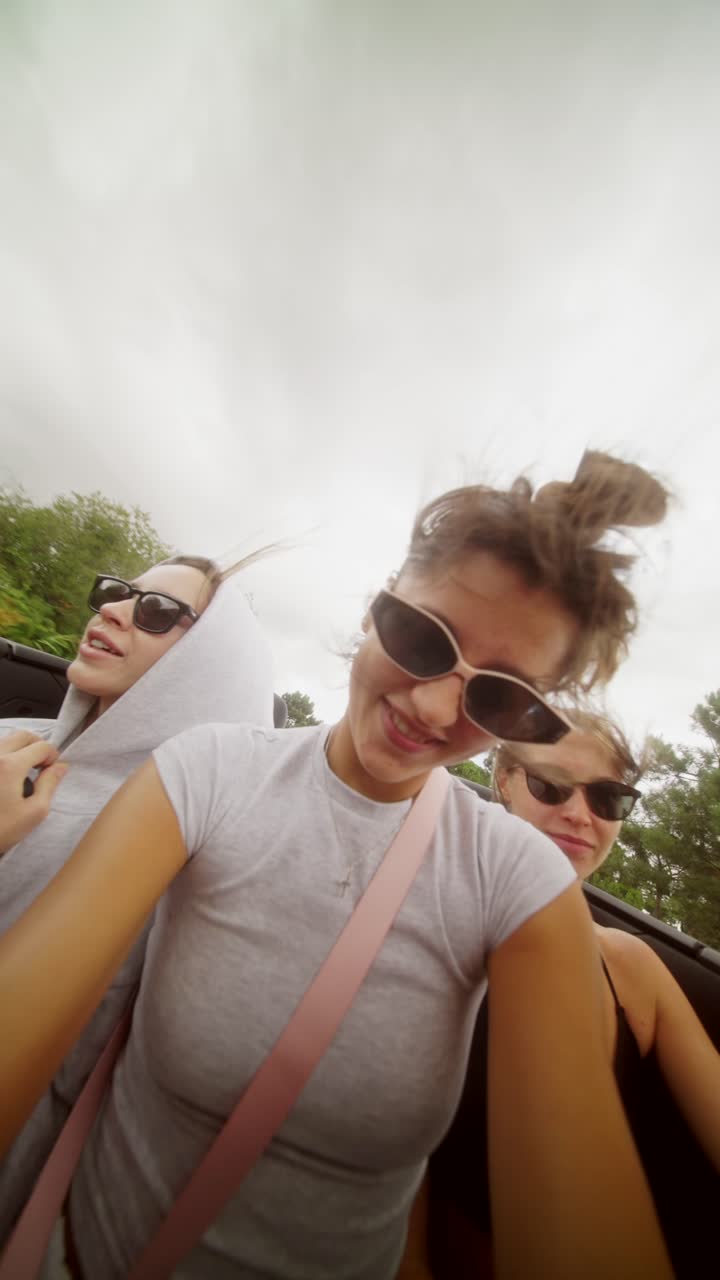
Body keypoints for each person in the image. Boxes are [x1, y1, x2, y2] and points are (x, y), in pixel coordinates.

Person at [0, 453, 674, 1279]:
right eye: (421, 638)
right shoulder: (205, 773)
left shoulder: (516, 885)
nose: (433, 708)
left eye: (497, 697)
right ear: (374, 606)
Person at [0, 554, 276, 1239]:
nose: (113, 610)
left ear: (209, 665)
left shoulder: (180, 847)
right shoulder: (9, 745)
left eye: (155, 612)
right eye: (117, 593)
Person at [428, 710, 720, 1278]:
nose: (579, 815)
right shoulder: (428, 943)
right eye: (552, 785)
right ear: (506, 780)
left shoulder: (632, 963)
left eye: (609, 798)